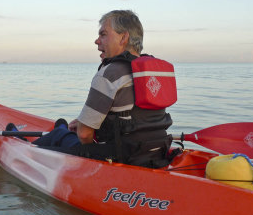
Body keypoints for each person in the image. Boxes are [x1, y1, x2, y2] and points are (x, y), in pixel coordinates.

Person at [13, 10, 174, 168]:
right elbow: (135, 118)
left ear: (123, 37)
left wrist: (88, 148)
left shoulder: (110, 73)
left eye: (103, 34)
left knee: (59, 135)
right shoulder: (151, 73)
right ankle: (61, 129)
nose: (97, 41)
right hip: (153, 154)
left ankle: (21, 148)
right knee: (67, 133)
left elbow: (84, 135)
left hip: (121, 159)